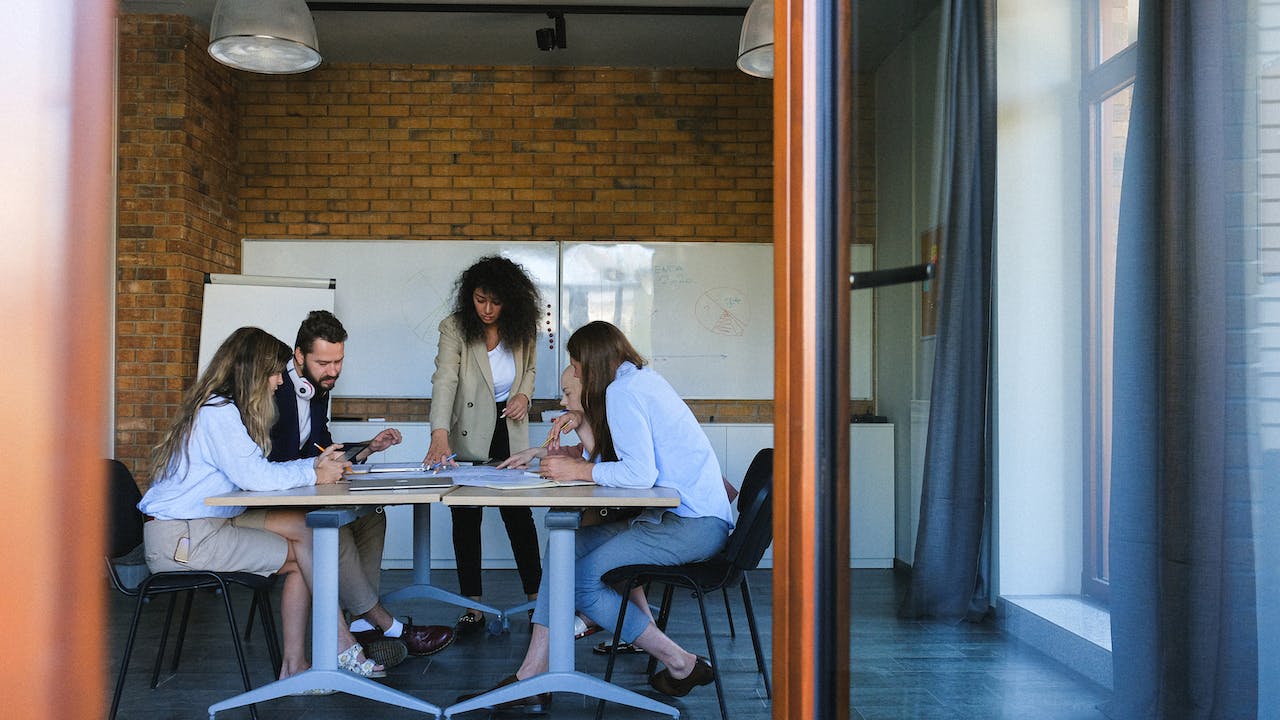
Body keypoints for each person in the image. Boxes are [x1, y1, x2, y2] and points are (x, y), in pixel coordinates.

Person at [460, 320, 733, 711]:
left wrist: (579, 471)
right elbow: (620, 462)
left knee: (583, 582)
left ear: (592, 363)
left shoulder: (624, 391)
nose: (572, 372)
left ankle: (681, 662)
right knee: (563, 547)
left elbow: (639, 475)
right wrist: (583, 423)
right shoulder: (638, 381)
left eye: (575, 364)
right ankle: (533, 675)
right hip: (681, 519)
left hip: (692, 526)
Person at [137, 327, 384, 681]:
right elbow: (254, 478)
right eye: (273, 372)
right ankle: (338, 646)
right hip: (183, 540)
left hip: (207, 522)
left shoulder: (223, 408)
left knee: (305, 536)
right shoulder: (217, 413)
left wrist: (315, 467)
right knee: (304, 554)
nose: (279, 381)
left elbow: (255, 471)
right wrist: (315, 473)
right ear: (252, 372)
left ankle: (301, 664)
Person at [268, 310, 454, 665]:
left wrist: (367, 448)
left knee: (372, 516)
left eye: (338, 361)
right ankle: (388, 625)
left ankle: (360, 622)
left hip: (306, 487)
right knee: (334, 527)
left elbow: (323, 446)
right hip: (277, 498)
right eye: (323, 362)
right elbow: (272, 461)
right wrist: (317, 468)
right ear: (298, 356)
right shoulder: (273, 390)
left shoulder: (317, 387)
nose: (333, 371)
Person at [424, 255, 544, 634]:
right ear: (469, 297)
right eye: (480, 300)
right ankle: (471, 606)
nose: (488, 310)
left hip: (509, 426)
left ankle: (536, 602)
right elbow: (444, 379)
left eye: (495, 301)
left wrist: (524, 395)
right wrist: (438, 433)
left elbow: (530, 371)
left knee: (518, 517)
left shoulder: (523, 328)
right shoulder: (454, 327)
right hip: (468, 428)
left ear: (510, 299)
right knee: (466, 514)